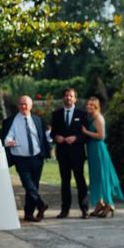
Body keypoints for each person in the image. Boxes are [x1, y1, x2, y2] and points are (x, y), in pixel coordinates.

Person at [2, 96, 50, 223]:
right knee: (28, 185)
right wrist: (9, 142)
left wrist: (45, 154)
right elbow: (6, 138)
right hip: (20, 159)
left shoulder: (37, 120)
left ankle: (29, 214)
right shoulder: (11, 121)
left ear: (31, 106)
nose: (23, 107)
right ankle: (41, 204)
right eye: (21, 104)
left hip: (36, 158)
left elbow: (41, 137)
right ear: (18, 106)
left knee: (34, 187)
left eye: (26, 104)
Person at [80, 97, 123, 218]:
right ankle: (100, 203)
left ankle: (109, 203)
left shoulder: (98, 118)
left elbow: (101, 136)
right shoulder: (90, 117)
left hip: (98, 149)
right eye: (87, 104)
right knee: (95, 177)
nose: (88, 107)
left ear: (96, 107)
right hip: (92, 149)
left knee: (102, 177)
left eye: (91, 105)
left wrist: (86, 132)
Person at [50, 87, 89, 219]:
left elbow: (86, 136)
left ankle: (84, 210)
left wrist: (76, 138)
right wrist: (56, 137)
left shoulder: (82, 115)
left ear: (75, 99)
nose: (68, 98)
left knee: (80, 181)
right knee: (65, 182)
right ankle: (64, 210)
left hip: (77, 154)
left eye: (71, 96)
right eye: (66, 96)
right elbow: (52, 133)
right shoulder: (56, 114)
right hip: (62, 154)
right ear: (63, 98)